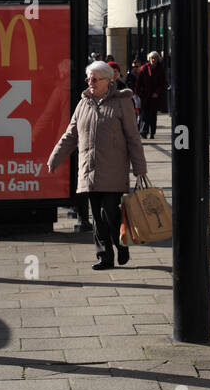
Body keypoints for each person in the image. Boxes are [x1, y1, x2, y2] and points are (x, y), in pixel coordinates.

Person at [47, 60, 147, 271]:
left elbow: (133, 137)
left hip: (114, 170)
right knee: (97, 216)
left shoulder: (122, 102)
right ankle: (104, 256)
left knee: (108, 212)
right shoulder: (83, 103)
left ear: (107, 80)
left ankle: (121, 243)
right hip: (89, 170)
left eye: (94, 79)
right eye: (88, 78)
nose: (89, 82)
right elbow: (70, 135)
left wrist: (140, 168)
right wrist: (55, 158)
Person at [136, 51, 167, 139]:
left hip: (155, 96)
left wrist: (157, 92)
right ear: (149, 59)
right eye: (152, 58)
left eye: (155, 58)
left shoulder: (160, 69)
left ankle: (152, 132)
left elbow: (163, 83)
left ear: (158, 59)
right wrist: (137, 93)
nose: (153, 60)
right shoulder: (144, 68)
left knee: (153, 115)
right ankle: (144, 131)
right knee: (144, 114)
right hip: (145, 95)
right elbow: (139, 82)